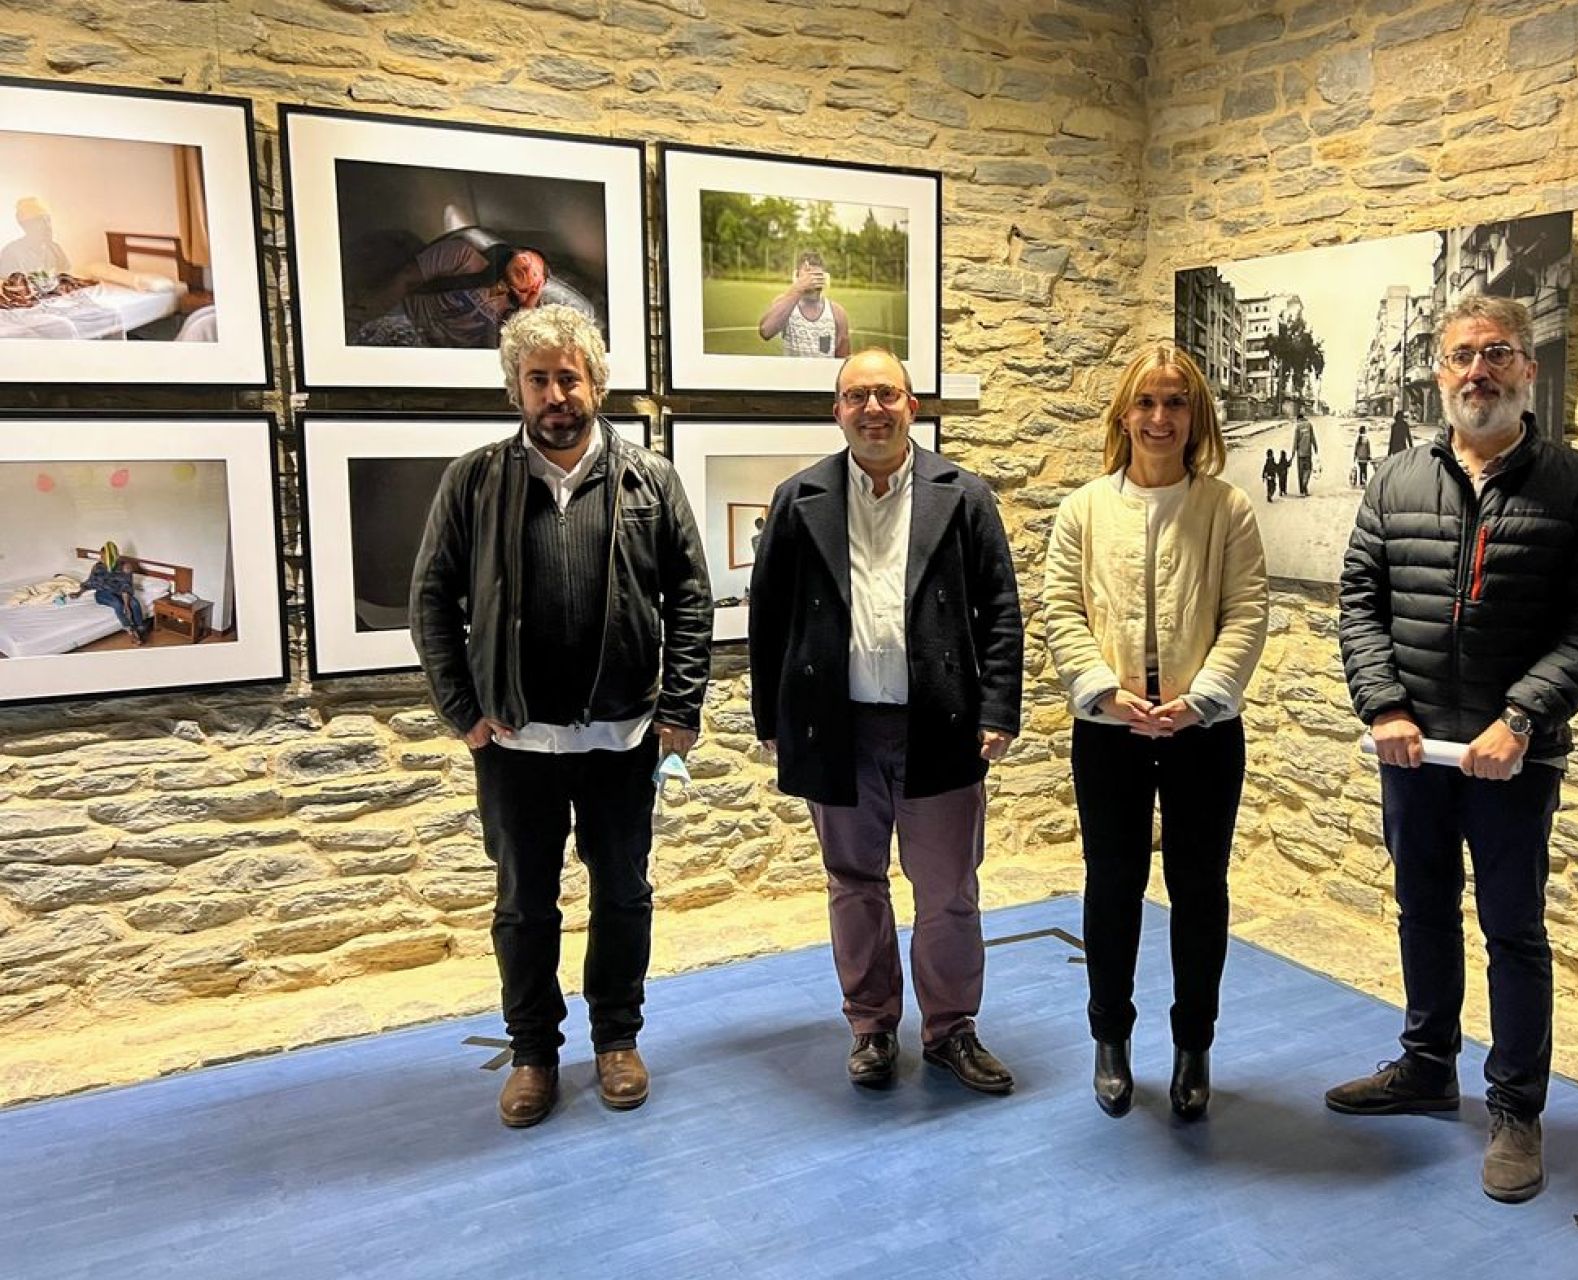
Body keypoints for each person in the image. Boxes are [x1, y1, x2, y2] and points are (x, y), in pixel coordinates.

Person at [1330, 294, 1578, 1204]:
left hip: (1514, 759)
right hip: (1414, 753)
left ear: (1528, 368)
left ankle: (1516, 1108)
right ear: (1438, 371)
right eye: (1461, 355)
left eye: (1496, 353)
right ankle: (1427, 1065)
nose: (1477, 371)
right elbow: (1359, 603)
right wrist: (1384, 706)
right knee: (1421, 910)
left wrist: (1525, 718)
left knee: (1513, 931)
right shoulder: (1395, 482)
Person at [410, 304, 714, 1128]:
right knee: (524, 904)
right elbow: (431, 600)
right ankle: (536, 1054)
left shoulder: (649, 478)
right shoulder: (473, 480)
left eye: (568, 377)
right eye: (538, 379)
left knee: (623, 895)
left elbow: (690, 596)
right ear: (516, 387)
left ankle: (617, 1040)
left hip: (622, 737)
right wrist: (464, 713)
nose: (555, 394)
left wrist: (680, 706)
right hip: (514, 742)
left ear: (596, 383)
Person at [749, 347, 1023, 1094]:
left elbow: (1000, 611)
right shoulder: (798, 497)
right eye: (856, 396)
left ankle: (950, 1030)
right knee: (853, 882)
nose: (873, 408)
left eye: (887, 395)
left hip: (940, 726)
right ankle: (871, 1026)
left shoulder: (963, 495)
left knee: (947, 891)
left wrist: (999, 707)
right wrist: (770, 716)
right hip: (836, 728)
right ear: (836, 410)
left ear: (912, 406)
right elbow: (768, 618)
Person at [1041, 343, 1267, 1122]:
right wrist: (1103, 690)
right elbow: (1063, 610)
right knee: (1114, 886)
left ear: (1194, 416)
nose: (1160, 417)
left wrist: (1203, 697)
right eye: (1146, 402)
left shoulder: (1226, 510)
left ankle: (1193, 1044)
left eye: (1175, 403)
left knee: (1200, 890)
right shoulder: (1083, 510)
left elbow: (1246, 613)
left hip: (1204, 733)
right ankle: (1111, 1039)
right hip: (1109, 732)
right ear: (1123, 415)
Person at [358, 233, 549, 349]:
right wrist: (365, 314)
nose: (526, 268)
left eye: (533, 272)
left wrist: (527, 308)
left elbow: (506, 357)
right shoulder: (463, 256)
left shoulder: (509, 316)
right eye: (525, 260)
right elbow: (406, 278)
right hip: (404, 319)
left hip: (437, 355)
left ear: (536, 286)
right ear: (512, 254)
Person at [757, 249, 851, 359]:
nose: (812, 279)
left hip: (824, 375)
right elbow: (766, 331)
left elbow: (842, 358)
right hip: (792, 374)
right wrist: (798, 288)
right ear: (797, 276)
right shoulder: (785, 303)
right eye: (808, 275)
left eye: (816, 275)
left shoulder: (837, 312)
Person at [80, 540, 148, 645]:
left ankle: (140, 627)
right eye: (100, 556)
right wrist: (79, 592)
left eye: (104, 556)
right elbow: (91, 582)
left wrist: (127, 605)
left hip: (120, 592)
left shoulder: (125, 567)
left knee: (134, 603)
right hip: (102, 593)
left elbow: (126, 586)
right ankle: (131, 631)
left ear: (112, 556)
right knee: (117, 604)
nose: (101, 559)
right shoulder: (97, 567)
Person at [0, 197, 71, 278]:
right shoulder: (11, 253)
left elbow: (67, 278)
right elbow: (8, 286)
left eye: (48, 220)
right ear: (26, 225)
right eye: (40, 221)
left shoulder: (55, 249)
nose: (47, 226)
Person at [1293, 411, 1318, 496]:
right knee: (1308, 470)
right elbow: (1313, 438)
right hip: (1308, 453)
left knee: (1300, 472)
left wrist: (1292, 454)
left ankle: (1302, 491)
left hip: (1300, 454)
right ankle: (1305, 485)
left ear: (1298, 419)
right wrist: (1316, 449)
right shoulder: (1309, 425)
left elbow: (1295, 441)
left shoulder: (1297, 427)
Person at [1352, 422, 1374, 487]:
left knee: (1361, 470)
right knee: (1365, 470)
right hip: (1365, 457)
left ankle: (1361, 482)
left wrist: (1355, 456)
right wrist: (1369, 455)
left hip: (1359, 458)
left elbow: (1356, 449)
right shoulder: (1366, 439)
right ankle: (1364, 482)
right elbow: (1368, 448)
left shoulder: (1358, 439)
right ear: (1364, 431)